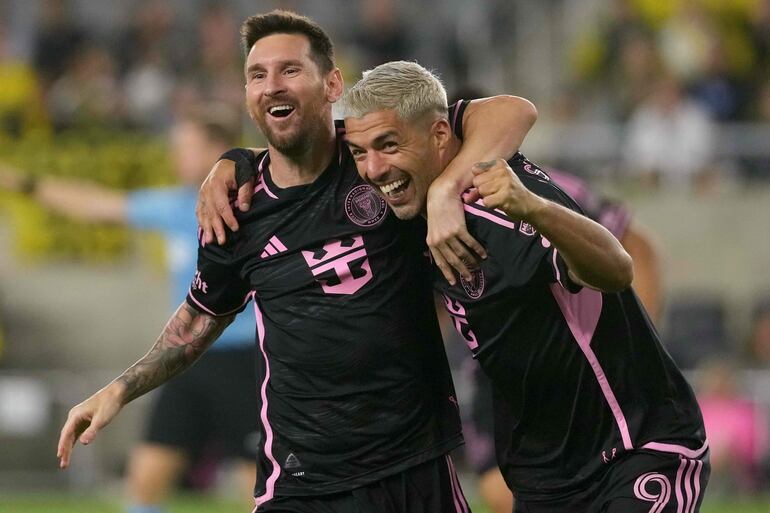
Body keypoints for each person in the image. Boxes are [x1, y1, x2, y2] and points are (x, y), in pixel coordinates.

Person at [57, 10, 538, 513]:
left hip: (413, 466)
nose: (271, 86)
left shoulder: (377, 158)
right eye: (257, 75)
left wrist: (447, 190)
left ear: (332, 84)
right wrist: (119, 390)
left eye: (289, 70)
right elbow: (200, 318)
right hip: (301, 481)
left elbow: (513, 111)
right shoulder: (236, 209)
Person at [340, 61, 709, 513]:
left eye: (388, 146)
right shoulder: (404, 204)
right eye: (359, 152)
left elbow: (618, 267)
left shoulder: (500, 204)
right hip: (543, 476)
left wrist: (533, 208)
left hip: (634, 449)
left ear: (440, 135)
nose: (374, 168)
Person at [1, 107, 258, 513]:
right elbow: (95, 205)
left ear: (218, 150)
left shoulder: (256, 206)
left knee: (257, 488)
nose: (176, 156)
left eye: (186, 147)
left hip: (247, 362)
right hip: (187, 362)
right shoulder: (176, 206)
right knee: (145, 479)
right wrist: (20, 182)